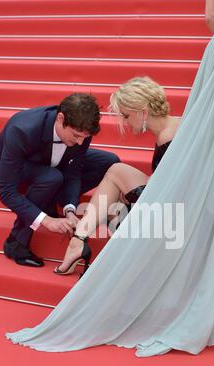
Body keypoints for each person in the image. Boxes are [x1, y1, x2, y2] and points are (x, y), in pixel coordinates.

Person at [6, 0, 214, 357]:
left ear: (141, 110)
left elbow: (212, 20)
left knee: (126, 168)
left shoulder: (176, 130)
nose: (121, 125)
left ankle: (82, 240)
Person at [54, 77, 180, 275]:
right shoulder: (173, 126)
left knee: (115, 177)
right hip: (172, 206)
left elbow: (168, 191)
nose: (125, 122)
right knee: (111, 200)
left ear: (143, 112)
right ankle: (85, 245)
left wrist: (131, 190)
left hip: (175, 216)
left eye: (126, 116)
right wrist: (132, 190)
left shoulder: (168, 136)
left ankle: (79, 243)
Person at [0, 93, 120, 267]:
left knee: (109, 162)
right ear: (60, 118)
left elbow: (73, 173)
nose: (80, 143)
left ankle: (52, 198)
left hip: (50, 160)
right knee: (51, 177)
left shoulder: (81, 130)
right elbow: (7, 192)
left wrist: (70, 209)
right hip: (8, 164)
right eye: (77, 135)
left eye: (84, 138)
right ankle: (16, 242)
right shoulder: (22, 130)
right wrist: (46, 221)